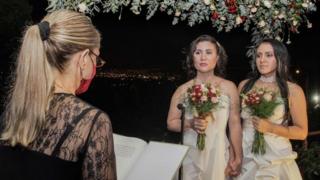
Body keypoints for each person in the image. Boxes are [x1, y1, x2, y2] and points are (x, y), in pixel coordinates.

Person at [0, 10, 117, 180]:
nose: (95, 67)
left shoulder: (10, 113)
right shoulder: (93, 122)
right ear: (84, 58)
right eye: (96, 59)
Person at [167, 34, 242, 180]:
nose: (203, 57)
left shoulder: (229, 87)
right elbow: (171, 123)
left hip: (218, 154)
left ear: (217, 57)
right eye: (198, 52)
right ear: (192, 57)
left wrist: (238, 156)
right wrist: (190, 123)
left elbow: (235, 124)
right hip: (189, 154)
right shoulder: (182, 90)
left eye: (208, 52)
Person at [237, 39, 308, 180]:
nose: (262, 60)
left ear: (280, 58)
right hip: (246, 157)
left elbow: (302, 132)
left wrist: (270, 128)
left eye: (268, 55)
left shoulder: (293, 90)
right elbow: (236, 125)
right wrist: (234, 154)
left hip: (276, 158)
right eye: (258, 55)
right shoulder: (244, 86)